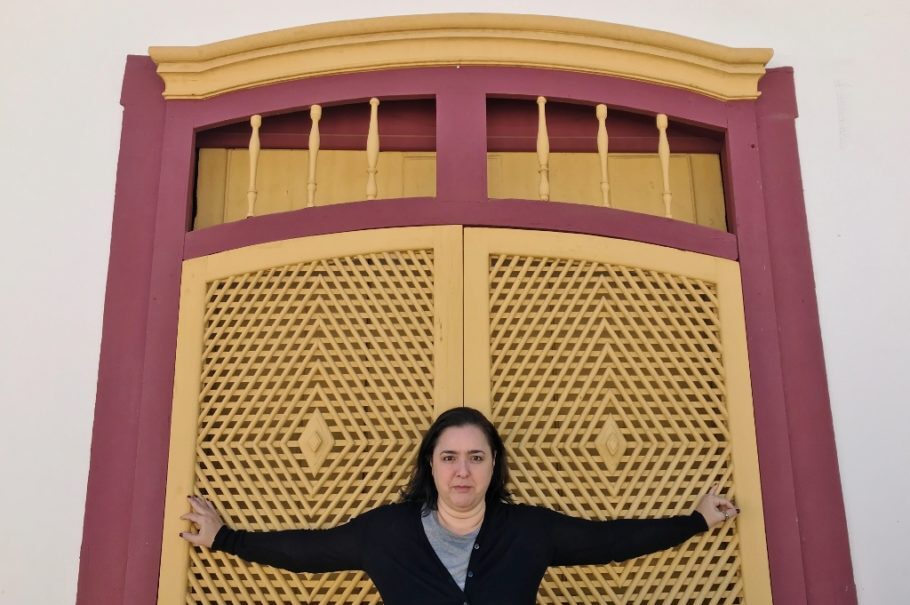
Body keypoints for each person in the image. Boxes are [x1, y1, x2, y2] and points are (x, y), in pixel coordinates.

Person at [181, 407, 738, 604]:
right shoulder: (386, 533)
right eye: (449, 457)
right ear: (430, 465)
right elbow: (311, 549)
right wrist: (226, 538)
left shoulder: (529, 531)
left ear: (495, 464)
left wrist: (695, 521)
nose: (462, 471)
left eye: (476, 457)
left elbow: (612, 542)